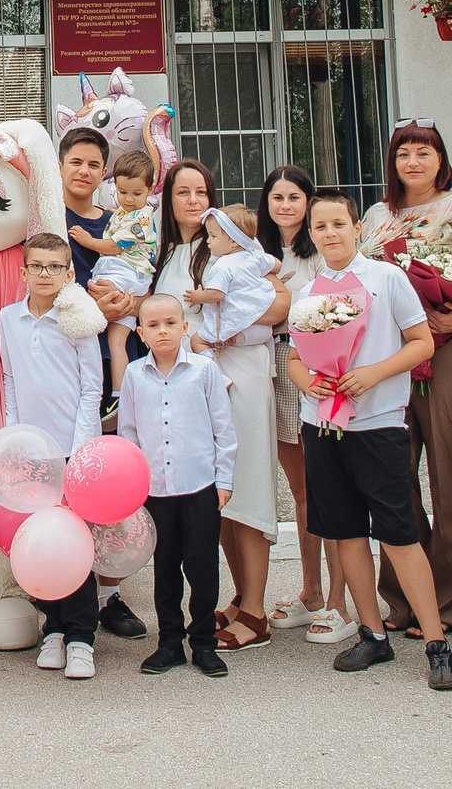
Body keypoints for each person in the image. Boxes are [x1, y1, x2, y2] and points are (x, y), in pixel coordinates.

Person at [290, 191, 452, 690]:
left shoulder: (388, 279)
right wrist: (309, 383)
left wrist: (372, 374)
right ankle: (371, 632)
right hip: (323, 425)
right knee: (345, 533)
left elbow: (422, 342)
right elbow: (297, 358)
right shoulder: (307, 293)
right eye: (320, 227)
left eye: (338, 223)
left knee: (398, 533)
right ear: (312, 234)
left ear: (357, 228)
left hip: (379, 423)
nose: (330, 233)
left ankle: (436, 642)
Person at [362, 120, 452, 639]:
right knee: (393, 474)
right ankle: (403, 600)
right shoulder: (377, 216)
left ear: (441, 160)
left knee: (450, 473)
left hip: (445, 351)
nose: (413, 163)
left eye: (424, 153)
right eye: (403, 154)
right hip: (388, 355)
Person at [181, 196, 287, 652]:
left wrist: (207, 334)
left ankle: (257, 613)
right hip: (206, 370)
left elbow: (271, 307)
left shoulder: (247, 269)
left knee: (248, 481)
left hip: (241, 369)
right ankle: (243, 594)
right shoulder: (196, 257)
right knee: (218, 487)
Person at [0, 230, 104, 678]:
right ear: (23, 271)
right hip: (31, 450)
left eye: (55, 267)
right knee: (39, 540)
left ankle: (81, 636)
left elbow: (91, 388)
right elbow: (8, 379)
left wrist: (79, 448)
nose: (45, 273)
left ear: (69, 272)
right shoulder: (8, 318)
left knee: (73, 541)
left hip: (70, 447)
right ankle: (54, 628)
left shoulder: (78, 319)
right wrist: (15, 436)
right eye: (37, 266)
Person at [119, 292, 234, 677]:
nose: (163, 330)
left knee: (202, 568)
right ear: (141, 333)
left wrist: (224, 479)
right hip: (156, 492)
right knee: (165, 568)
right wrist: (133, 489)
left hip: (200, 485)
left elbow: (223, 429)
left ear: (185, 328)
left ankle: (203, 642)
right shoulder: (135, 374)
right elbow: (129, 434)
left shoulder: (204, 371)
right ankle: (169, 642)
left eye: (171, 323)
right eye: (153, 325)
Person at [258, 166, 345, 641]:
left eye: (295, 196)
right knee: (301, 491)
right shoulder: (259, 252)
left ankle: (338, 598)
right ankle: (311, 591)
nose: (286, 205)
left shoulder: (322, 253)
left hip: (314, 367)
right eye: (277, 197)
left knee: (327, 486)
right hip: (271, 367)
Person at [89, 149, 161, 411]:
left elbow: (114, 245)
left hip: (127, 273)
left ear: (150, 188)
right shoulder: (123, 212)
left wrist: (87, 240)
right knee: (114, 340)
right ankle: (119, 393)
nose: (128, 199)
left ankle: (120, 395)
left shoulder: (142, 216)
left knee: (114, 337)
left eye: (136, 193)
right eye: (123, 192)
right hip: (126, 275)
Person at [56, 126, 115, 287]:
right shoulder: (42, 219)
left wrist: (130, 304)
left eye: (93, 165)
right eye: (76, 162)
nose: (84, 171)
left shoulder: (117, 223)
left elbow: (144, 275)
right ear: (60, 167)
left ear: (103, 174)